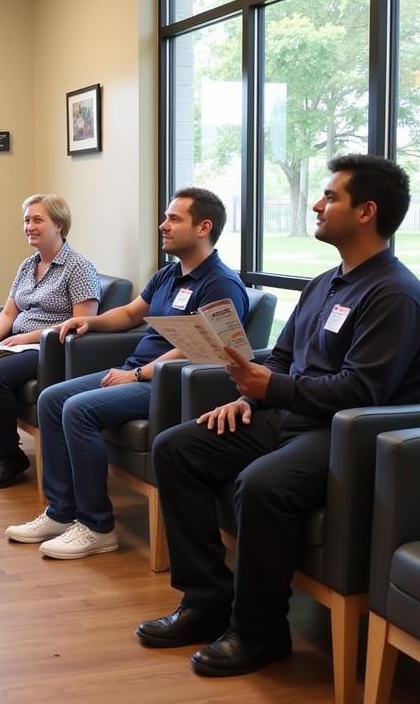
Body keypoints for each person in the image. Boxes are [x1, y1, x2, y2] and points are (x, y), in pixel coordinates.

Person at [136, 155, 420, 677]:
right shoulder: (324, 283)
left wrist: (274, 387)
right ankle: (206, 601)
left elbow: (362, 389)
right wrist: (250, 399)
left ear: (367, 212)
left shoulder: (394, 294)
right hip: (290, 415)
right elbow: (285, 357)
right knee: (177, 448)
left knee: (262, 485)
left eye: (331, 196)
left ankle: (260, 633)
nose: (317, 203)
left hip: (344, 433)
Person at [6, 187, 248, 559]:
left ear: (204, 227)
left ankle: (96, 526)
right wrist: (88, 322)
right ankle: (61, 512)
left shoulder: (221, 283)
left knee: (78, 409)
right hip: (137, 370)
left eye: (174, 219)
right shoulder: (168, 275)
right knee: (52, 398)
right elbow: (132, 313)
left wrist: (139, 376)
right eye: (166, 217)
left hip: (170, 384)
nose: (163, 225)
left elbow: (207, 349)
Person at [0, 193, 101, 489]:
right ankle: (4, 451)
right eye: (27, 220)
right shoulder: (28, 265)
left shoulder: (79, 268)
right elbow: (8, 311)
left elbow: (82, 323)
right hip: (14, 346)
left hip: (50, 349)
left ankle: (5, 455)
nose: (29, 226)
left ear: (59, 225)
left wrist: (23, 338)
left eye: (37, 220)